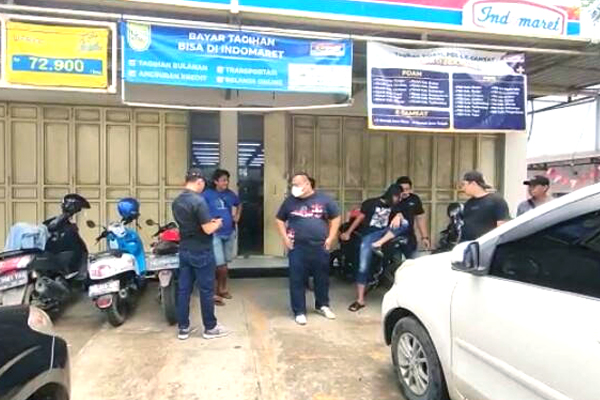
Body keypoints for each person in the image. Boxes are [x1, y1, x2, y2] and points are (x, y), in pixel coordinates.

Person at [171, 168, 230, 341]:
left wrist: (207, 223)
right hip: (202, 251)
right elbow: (207, 229)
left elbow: (191, 223)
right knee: (206, 290)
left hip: (184, 249)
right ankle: (210, 328)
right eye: (203, 183)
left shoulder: (177, 201)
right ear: (199, 182)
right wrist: (217, 223)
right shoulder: (198, 201)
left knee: (184, 290)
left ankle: (183, 328)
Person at [276, 173, 341, 326]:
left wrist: (331, 238)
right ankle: (299, 311)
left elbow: (336, 217)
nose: (294, 188)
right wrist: (285, 238)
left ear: (307, 184)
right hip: (297, 246)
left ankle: (322, 305)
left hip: (320, 245)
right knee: (297, 279)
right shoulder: (290, 201)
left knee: (322, 278)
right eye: (292, 185)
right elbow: (279, 219)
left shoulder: (324, 199)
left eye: (297, 184)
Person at [340, 184, 405, 312]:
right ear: (393, 195)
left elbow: (401, 217)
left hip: (385, 234)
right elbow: (359, 218)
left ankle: (379, 244)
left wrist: (398, 216)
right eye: (399, 197)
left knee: (405, 223)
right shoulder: (371, 203)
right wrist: (348, 232)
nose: (400, 200)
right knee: (363, 266)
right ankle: (360, 300)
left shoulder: (395, 206)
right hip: (369, 235)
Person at [203, 169, 242, 305]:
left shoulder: (230, 194)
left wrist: (237, 215)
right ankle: (216, 291)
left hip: (229, 232)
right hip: (215, 233)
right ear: (216, 181)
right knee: (219, 264)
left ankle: (221, 288)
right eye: (223, 180)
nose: (226, 183)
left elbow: (239, 204)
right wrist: (208, 221)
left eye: (227, 180)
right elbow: (200, 209)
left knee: (224, 263)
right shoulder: (207, 194)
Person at [371, 176, 430, 258]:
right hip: (391, 236)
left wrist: (424, 237)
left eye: (407, 189)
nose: (405, 192)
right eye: (402, 189)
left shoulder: (414, 199)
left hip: (409, 236)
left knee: (411, 260)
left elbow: (420, 218)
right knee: (392, 260)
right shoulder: (390, 199)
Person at [461, 171, 510, 241]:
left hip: (488, 243)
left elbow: (502, 226)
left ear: (473, 184)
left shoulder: (496, 201)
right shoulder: (468, 203)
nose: (463, 188)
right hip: (469, 243)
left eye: (464, 185)